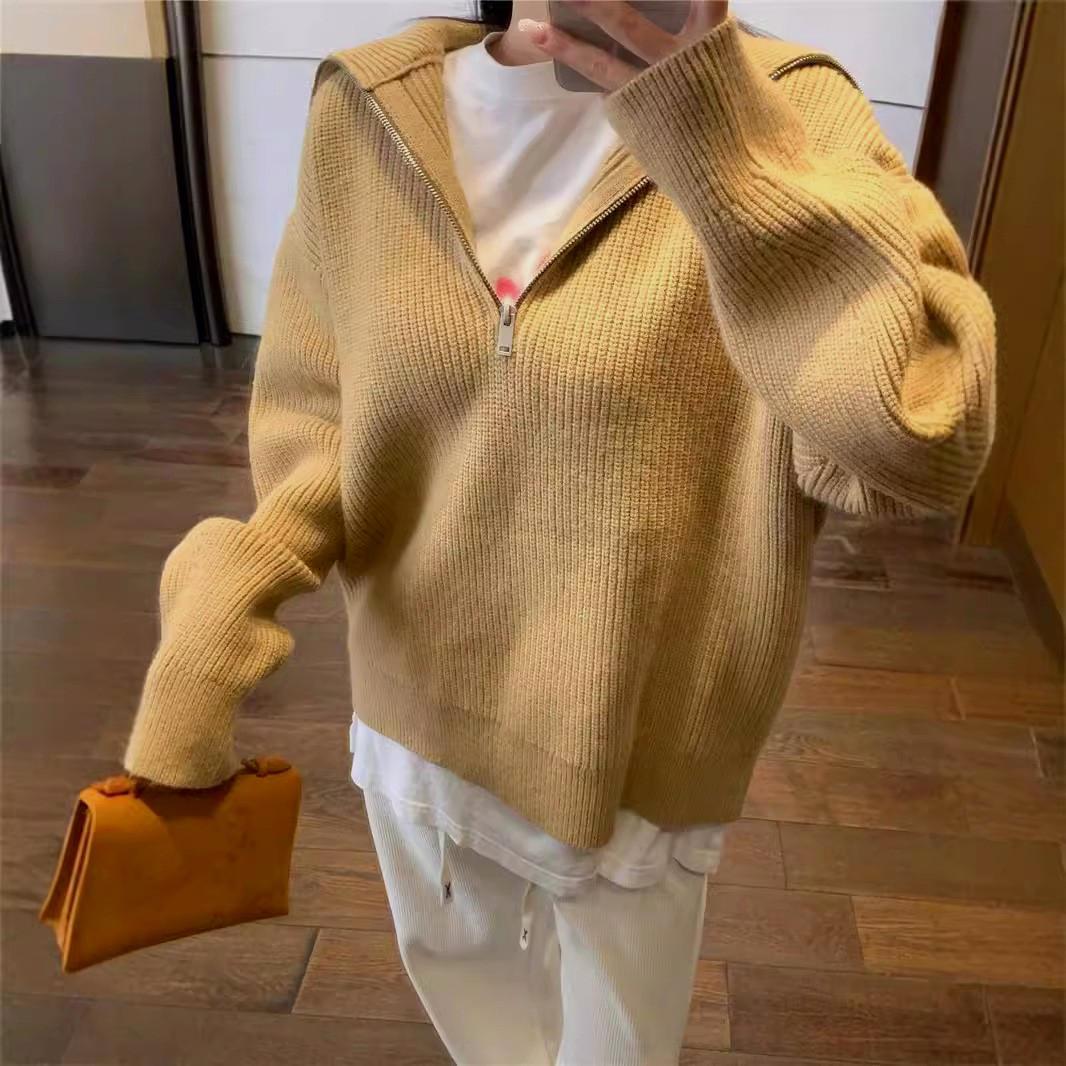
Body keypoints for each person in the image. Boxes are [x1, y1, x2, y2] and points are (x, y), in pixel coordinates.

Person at [121, 1, 996, 1062]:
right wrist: (228, 604)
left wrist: (716, 139)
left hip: (636, 760)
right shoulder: (368, 107)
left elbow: (920, 440)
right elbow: (320, 418)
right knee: (475, 1014)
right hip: (419, 726)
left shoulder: (793, 110)